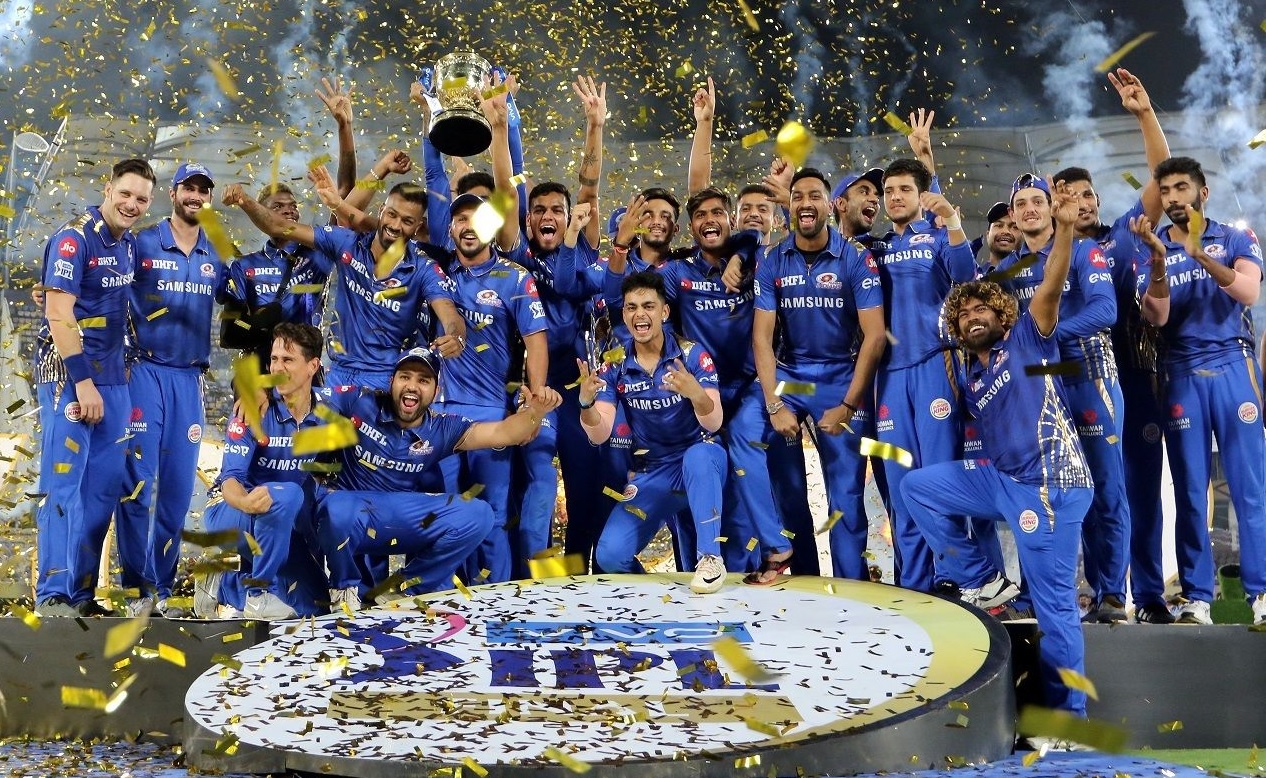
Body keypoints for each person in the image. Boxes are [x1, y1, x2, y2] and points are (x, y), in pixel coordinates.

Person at [900, 178, 1094, 716]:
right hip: (1004, 480)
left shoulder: (1028, 337)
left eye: (981, 309)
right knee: (917, 486)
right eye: (963, 315)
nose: (972, 317)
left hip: (1050, 485)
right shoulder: (972, 376)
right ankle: (982, 578)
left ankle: (1070, 717)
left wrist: (1065, 231)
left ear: (1001, 314)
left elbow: (1052, 284)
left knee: (1055, 608)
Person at [1053, 68, 1171, 624]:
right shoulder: (1045, 256)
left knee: (1134, 490)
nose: (1079, 202)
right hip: (1068, 380)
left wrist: (1144, 114)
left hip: (1130, 376)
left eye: (1086, 194)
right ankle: (1100, 590)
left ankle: (1144, 596)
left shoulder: (1120, 237)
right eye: (1067, 195)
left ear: (1098, 201)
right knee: (1085, 490)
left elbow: (1162, 180)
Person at [316, 347, 561, 612]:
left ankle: (407, 589)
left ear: (436, 391)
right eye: (405, 377)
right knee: (335, 506)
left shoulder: (442, 427)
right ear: (391, 382)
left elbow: (505, 433)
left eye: (423, 380)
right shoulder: (360, 400)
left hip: (399, 520)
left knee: (479, 514)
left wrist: (535, 411)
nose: (412, 386)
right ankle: (343, 589)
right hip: (352, 516)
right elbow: (306, 401)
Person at [741, 168, 887, 582]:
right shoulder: (772, 258)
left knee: (846, 497)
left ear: (829, 205)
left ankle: (851, 587)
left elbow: (875, 336)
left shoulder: (856, 257)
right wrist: (774, 405)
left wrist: (848, 405)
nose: (806, 203)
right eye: (798, 196)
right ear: (788, 206)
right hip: (790, 377)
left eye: (814, 196)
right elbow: (761, 338)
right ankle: (796, 571)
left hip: (840, 377)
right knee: (759, 454)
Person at [1137, 156, 1266, 627]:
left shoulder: (1234, 238)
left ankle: (1261, 593)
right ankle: (1197, 598)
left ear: (1202, 193)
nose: (1173, 197)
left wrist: (1201, 256)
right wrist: (1158, 260)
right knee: (1191, 492)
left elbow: (1249, 293)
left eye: (1181, 188)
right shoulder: (1152, 246)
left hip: (1234, 364)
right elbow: (1157, 317)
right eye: (1165, 190)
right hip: (1180, 372)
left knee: (1251, 488)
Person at [32, 158, 156, 617]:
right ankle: (53, 595)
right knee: (63, 486)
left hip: (113, 379)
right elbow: (58, 313)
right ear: (108, 189)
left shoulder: (128, 245)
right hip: (70, 377)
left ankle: (81, 595)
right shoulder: (74, 238)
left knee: (102, 493)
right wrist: (83, 382)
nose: (132, 204)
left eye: (141, 198)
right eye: (125, 194)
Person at [222, 175, 466, 391]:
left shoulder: (424, 268)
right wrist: (244, 200)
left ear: (417, 226)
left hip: (386, 379)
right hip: (338, 377)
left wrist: (456, 336)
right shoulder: (346, 243)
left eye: (407, 221)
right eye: (392, 214)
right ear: (381, 210)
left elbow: (449, 314)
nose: (395, 225)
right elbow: (278, 226)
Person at [118, 162, 224, 617]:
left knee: (178, 492)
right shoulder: (142, 242)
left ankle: (161, 590)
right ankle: (135, 590)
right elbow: (103, 286)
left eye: (203, 190)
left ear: (209, 198)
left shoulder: (216, 252)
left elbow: (245, 304)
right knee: (137, 486)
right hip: (144, 374)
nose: (195, 196)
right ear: (173, 193)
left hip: (189, 380)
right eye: (188, 188)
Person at [579, 271, 728, 593]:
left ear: (664, 312)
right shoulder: (614, 364)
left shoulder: (692, 355)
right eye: (631, 307)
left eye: (648, 306)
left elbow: (714, 423)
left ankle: (711, 559)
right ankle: (654, 596)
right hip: (656, 471)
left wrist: (696, 394)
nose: (639, 315)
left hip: (700, 460)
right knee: (609, 555)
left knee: (699, 456)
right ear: (624, 315)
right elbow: (599, 434)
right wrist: (586, 403)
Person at [871, 157, 976, 592]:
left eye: (904, 189)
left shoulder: (937, 237)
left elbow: (966, 276)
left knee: (940, 477)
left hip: (936, 366)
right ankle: (914, 584)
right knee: (900, 486)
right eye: (889, 191)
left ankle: (950, 578)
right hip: (887, 378)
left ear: (921, 194)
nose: (895, 197)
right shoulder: (873, 249)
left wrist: (952, 219)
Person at [433, 192, 549, 583]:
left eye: (478, 219)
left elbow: (536, 343)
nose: (469, 227)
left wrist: (533, 403)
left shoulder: (515, 277)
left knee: (494, 514)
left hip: (491, 410)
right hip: (440, 412)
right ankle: (448, 599)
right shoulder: (436, 273)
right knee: (446, 512)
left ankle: (494, 599)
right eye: (461, 219)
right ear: (450, 228)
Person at [194, 323, 330, 620]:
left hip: (279, 521)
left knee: (317, 604)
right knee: (287, 494)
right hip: (229, 512)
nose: (277, 368)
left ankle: (221, 585)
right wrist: (245, 501)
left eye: (288, 360)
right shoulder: (252, 410)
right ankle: (257, 594)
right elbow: (230, 479)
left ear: (313, 366)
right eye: (274, 359)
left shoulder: (326, 411)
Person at [216, 182, 331, 368]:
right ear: (261, 214)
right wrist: (259, 326)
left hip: (304, 373)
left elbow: (345, 208)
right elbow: (229, 334)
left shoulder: (318, 255)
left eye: (293, 206)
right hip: (260, 373)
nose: (289, 211)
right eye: (278, 206)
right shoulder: (244, 266)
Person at [974, 202, 1017, 275]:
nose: (1005, 231)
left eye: (1014, 227)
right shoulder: (972, 278)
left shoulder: (1036, 274)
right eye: (999, 225)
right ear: (988, 235)